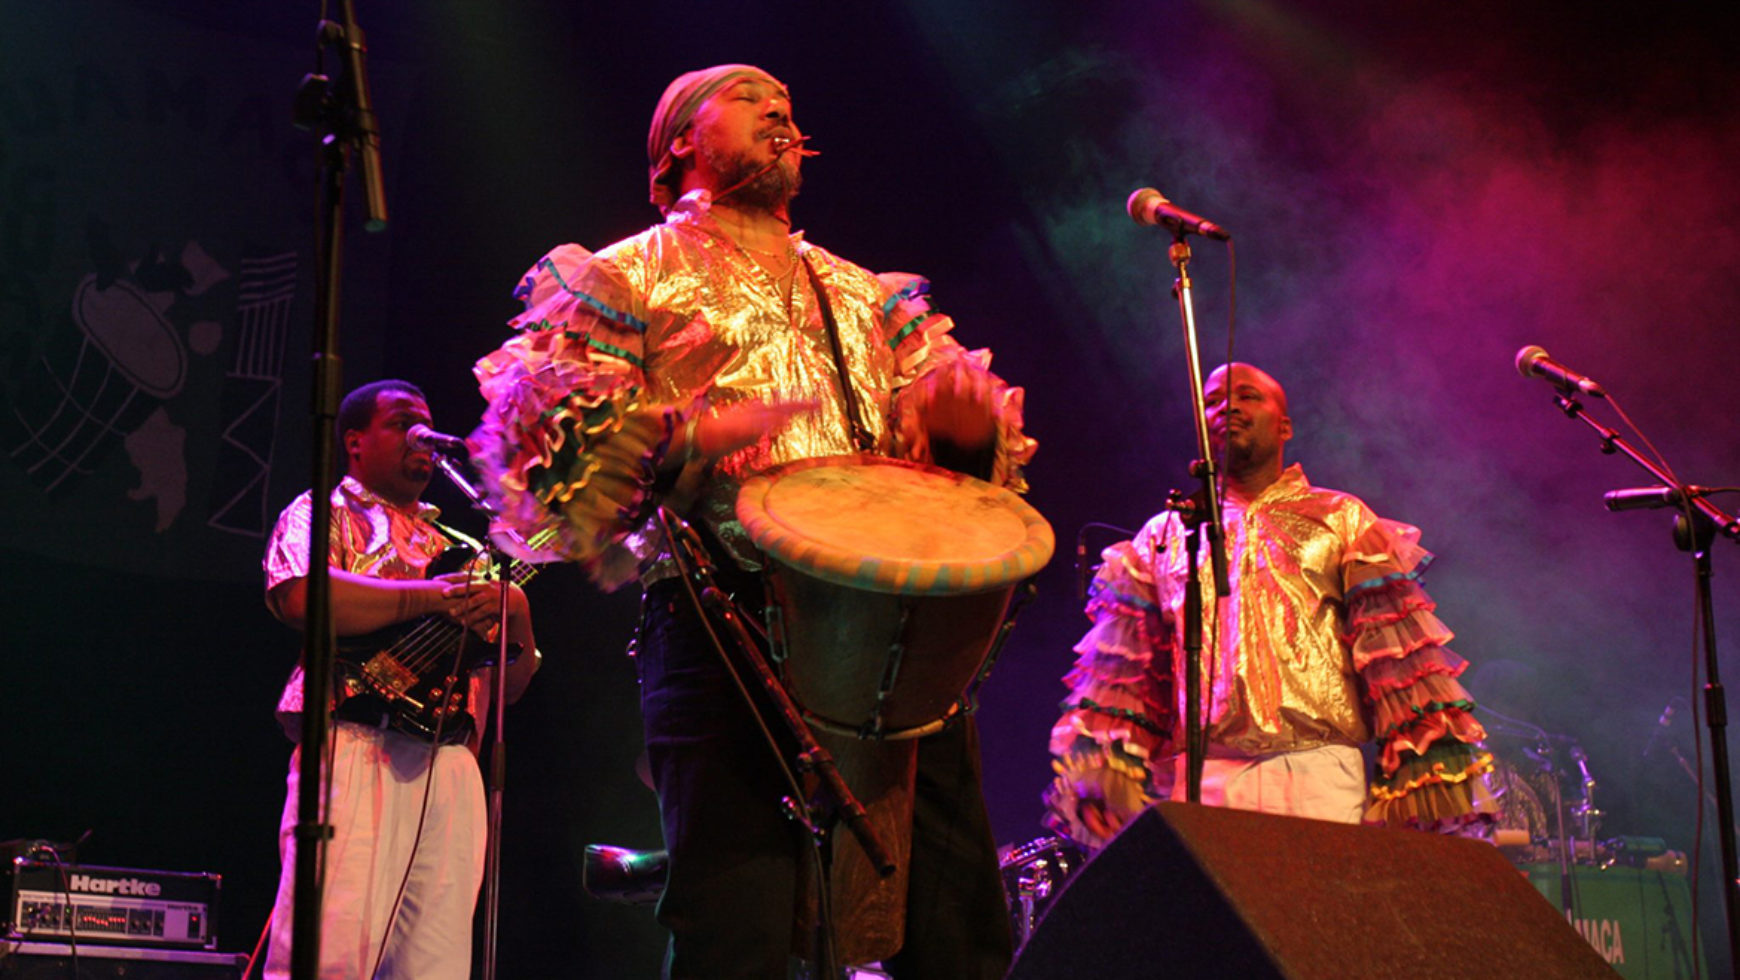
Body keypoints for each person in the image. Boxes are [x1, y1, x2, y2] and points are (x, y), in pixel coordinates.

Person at [469, 64, 1035, 978]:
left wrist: (964, 433)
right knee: (740, 926)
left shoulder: (862, 292)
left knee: (955, 925)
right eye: (747, 96)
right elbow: (552, 449)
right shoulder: (626, 274)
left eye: (787, 103)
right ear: (680, 141)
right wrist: (684, 433)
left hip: (887, 628)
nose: (780, 107)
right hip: (719, 619)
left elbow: (963, 456)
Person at [1044, 363, 1491, 850]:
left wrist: (1430, 781)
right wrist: (1105, 774)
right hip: (1204, 778)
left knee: (1317, 921)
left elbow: (1402, 668)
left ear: (1285, 426)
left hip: (1316, 772)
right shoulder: (1164, 536)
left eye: (1248, 396)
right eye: (1213, 401)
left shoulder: (1343, 519)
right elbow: (1126, 682)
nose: (1228, 407)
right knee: (1216, 926)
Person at [261, 379, 540, 979]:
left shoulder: (463, 548)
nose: (421, 435)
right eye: (402, 423)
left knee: (434, 963)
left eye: (427, 424)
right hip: (357, 743)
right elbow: (303, 598)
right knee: (328, 949)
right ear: (355, 442)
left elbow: (506, 685)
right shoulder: (319, 512)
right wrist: (431, 599)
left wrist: (519, 621)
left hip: (450, 765)